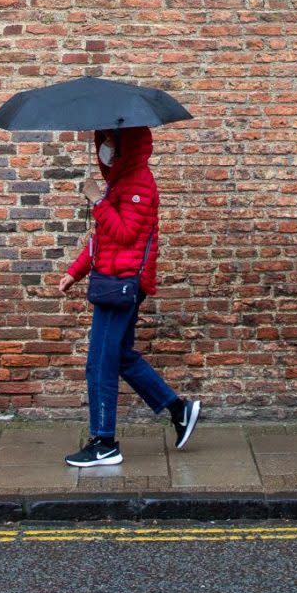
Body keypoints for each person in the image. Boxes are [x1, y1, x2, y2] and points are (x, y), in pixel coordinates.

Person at [58, 126, 199, 467]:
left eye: (109, 140)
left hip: (121, 285)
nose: (104, 146)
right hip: (112, 279)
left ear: (125, 143)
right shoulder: (121, 181)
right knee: (120, 357)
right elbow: (102, 241)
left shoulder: (138, 183)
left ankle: (104, 443)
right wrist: (75, 271)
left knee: (99, 365)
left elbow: (123, 233)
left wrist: (97, 200)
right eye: (101, 140)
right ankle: (178, 409)